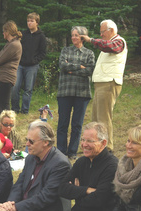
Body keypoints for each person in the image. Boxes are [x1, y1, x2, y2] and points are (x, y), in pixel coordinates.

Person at [79, 19, 128, 151]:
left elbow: (110, 47)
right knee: (96, 117)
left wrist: (91, 40)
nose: (101, 35)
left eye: (102, 32)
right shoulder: (108, 43)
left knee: (103, 117)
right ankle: (97, 146)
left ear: (111, 30)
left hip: (109, 83)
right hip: (102, 84)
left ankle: (107, 148)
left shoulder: (119, 41)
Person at [56, 26, 96, 160]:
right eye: (72, 35)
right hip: (65, 91)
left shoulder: (89, 53)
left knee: (77, 124)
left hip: (82, 93)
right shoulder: (65, 50)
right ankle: (61, 151)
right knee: (63, 123)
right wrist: (79, 67)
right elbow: (62, 65)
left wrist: (71, 69)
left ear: (83, 37)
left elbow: (90, 70)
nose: (74, 37)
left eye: (77, 35)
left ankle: (72, 151)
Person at [11, 12, 47, 115]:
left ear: (37, 23)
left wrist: (34, 60)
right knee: (15, 87)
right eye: (28, 21)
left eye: (32, 21)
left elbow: (43, 53)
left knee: (28, 89)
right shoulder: (23, 34)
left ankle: (24, 110)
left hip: (32, 66)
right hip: (20, 65)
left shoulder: (41, 37)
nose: (29, 23)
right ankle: (15, 109)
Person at [0, 21, 22, 128]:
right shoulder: (10, 44)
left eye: (4, 31)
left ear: (8, 31)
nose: (3, 34)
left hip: (7, 78)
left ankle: (8, 127)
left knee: (4, 106)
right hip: (3, 78)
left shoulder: (14, 45)